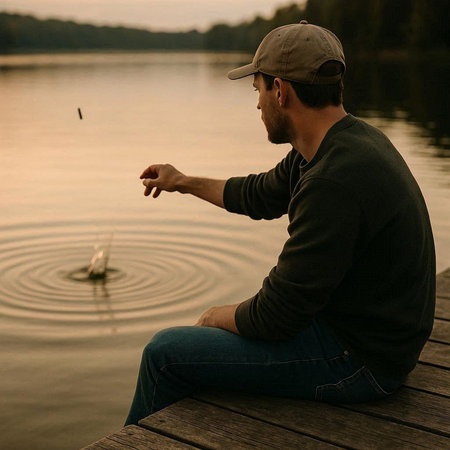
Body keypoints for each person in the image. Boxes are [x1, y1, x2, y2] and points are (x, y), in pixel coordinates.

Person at [125, 20, 436, 426]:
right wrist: (182, 181)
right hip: (368, 337)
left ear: (281, 91)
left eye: (257, 90)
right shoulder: (341, 143)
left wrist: (214, 316)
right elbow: (259, 195)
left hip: (361, 364)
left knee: (165, 353)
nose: (257, 105)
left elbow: (275, 316)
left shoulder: (332, 179)